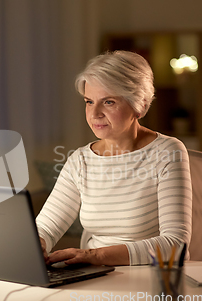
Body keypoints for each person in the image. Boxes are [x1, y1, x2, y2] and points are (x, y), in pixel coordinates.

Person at [36, 51, 192, 266]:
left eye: (108, 102)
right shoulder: (80, 160)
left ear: (140, 105)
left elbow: (176, 246)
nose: (94, 114)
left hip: (150, 277)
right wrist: (36, 244)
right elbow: (45, 228)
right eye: (89, 101)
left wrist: (96, 256)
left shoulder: (167, 152)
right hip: (92, 276)